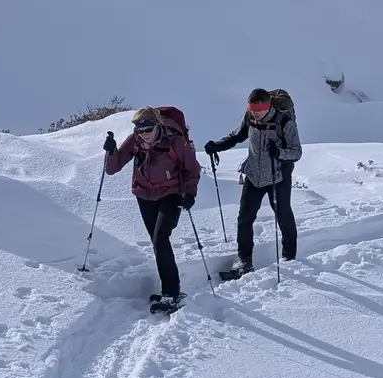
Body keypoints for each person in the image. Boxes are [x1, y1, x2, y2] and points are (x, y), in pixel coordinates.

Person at [103, 106, 201, 309]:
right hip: (145, 195)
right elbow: (112, 169)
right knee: (157, 243)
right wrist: (111, 151)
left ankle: (171, 293)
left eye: (147, 130)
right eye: (139, 131)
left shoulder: (175, 141)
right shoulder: (135, 140)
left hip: (171, 193)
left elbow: (192, 169)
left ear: (158, 126)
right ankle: (168, 290)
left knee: (160, 238)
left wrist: (190, 193)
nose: (143, 135)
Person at [203, 88, 302, 278]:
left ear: (267, 107)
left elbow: (296, 152)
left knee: (283, 217)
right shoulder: (250, 117)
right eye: (251, 110)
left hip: (277, 176)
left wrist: (279, 153)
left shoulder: (284, 121)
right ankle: (245, 263)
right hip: (254, 176)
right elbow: (237, 136)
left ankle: (289, 259)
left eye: (258, 111)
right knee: (244, 219)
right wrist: (217, 145)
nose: (254, 114)